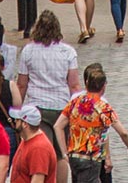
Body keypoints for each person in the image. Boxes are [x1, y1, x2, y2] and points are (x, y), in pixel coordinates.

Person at [59, 63, 128, 183]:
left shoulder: (74, 102)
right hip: (90, 158)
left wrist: (64, 153)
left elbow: (57, 126)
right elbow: (123, 133)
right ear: (103, 86)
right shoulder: (103, 107)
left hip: (74, 156)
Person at [14, 10, 79, 147]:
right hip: (61, 106)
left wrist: (17, 110)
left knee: (42, 148)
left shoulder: (28, 51)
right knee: (61, 153)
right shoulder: (68, 52)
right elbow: (73, 85)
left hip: (38, 108)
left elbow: (22, 85)